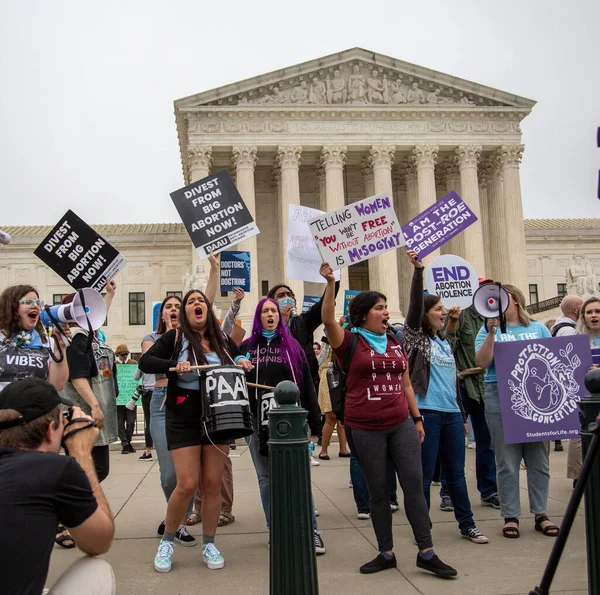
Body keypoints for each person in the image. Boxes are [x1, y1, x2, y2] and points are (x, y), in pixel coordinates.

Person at [319, 261, 457, 578]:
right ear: (365, 313)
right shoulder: (348, 342)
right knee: (380, 492)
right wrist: (330, 284)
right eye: (380, 308)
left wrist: (417, 419)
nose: (385, 312)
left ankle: (427, 551)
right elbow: (327, 319)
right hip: (365, 428)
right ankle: (386, 552)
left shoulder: (395, 341)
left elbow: (406, 384)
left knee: (414, 486)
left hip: (400, 425)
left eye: (385, 307)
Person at [139, 288, 253, 573]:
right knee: (187, 483)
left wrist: (241, 361)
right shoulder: (175, 337)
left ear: (207, 309)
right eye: (191, 302)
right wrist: (173, 366)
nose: (196, 304)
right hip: (184, 413)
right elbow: (146, 362)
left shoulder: (223, 340)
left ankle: (209, 543)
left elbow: (239, 358)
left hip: (218, 414)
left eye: (200, 300)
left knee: (212, 484)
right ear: (187, 313)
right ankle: (167, 540)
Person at [403, 251, 489, 545]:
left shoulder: (443, 343)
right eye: (438, 308)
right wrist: (418, 270)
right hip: (427, 413)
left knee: (456, 475)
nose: (444, 312)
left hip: (451, 414)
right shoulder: (416, 339)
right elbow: (414, 305)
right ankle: (422, 528)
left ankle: (468, 524)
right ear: (426, 314)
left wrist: (461, 415)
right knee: (424, 475)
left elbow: (452, 382)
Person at [0, 377, 115, 595]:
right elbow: (99, 541)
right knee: (97, 569)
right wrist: (80, 452)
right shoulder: (54, 468)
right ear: (51, 430)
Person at [239, 297, 326, 554]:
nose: (270, 314)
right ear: (258, 316)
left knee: (297, 475)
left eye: (273, 311)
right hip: (256, 420)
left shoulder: (293, 347)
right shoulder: (247, 347)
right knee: (266, 478)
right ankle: (275, 529)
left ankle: (311, 530)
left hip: (289, 419)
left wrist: (314, 420)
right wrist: (238, 363)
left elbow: (306, 383)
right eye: (264, 311)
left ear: (279, 316)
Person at [476, 284, 559, 538]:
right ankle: (510, 515)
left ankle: (541, 513)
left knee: (538, 459)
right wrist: (491, 333)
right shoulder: (486, 329)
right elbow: (481, 362)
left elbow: (553, 361)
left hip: (534, 397)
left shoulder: (538, 328)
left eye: (502, 297)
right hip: (499, 395)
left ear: (516, 300)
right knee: (507, 461)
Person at [140, 294, 197, 547]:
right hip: (161, 399)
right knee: (168, 474)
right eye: (169, 307)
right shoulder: (152, 339)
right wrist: (176, 363)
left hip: (185, 401)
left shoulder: (191, 338)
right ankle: (174, 513)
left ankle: (180, 522)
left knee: (188, 472)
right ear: (162, 314)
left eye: (177, 307)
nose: (173, 310)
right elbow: (149, 362)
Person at [443, 278, 499, 510]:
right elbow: (446, 347)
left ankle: (489, 490)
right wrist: (461, 372)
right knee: (452, 442)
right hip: (463, 386)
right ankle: (448, 492)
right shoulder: (461, 315)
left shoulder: (498, 319)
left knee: (487, 441)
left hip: (487, 387)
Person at [59, 281, 118, 484]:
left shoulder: (89, 335)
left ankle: (78, 507)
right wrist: (95, 407)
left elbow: (98, 316)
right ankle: (72, 505)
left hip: (91, 413)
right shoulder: (76, 339)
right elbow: (77, 376)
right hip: (83, 413)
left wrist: (110, 294)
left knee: (93, 468)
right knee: (94, 469)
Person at [267, 280, 339, 394]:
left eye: (289, 295)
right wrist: (282, 322)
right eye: (281, 295)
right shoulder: (265, 327)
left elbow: (324, 304)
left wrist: (333, 278)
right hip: (278, 386)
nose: (287, 297)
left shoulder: (303, 322)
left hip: (306, 384)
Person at [0, 284, 69, 393]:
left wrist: (60, 347)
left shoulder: (47, 342)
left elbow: (57, 386)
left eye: (38, 303)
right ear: (11, 307)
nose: (35, 306)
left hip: (38, 407)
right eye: (28, 302)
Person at [568, 296, 600, 486]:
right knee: (579, 436)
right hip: (582, 396)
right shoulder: (576, 340)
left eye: (597, 311)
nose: (593, 315)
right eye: (589, 312)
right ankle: (578, 478)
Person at [317, 337, 351, 460]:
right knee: (330, 415)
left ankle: (343, 449)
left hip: (341, 376)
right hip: (329, 377)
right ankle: (324, 450)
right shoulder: (326, 342)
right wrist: (327, 343)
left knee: (342, 417)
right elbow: (320, 360)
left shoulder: (344, 340)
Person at [115, 344, 138, 454]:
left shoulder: (133, 364)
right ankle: (125, 444)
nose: (125, 356)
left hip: (131, 398)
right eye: (122, 354)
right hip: (118, 399)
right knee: (119, 423)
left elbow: (137, 379)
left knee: (131, 422)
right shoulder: (114, 365)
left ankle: (127, 442)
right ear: (118, 354)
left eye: (126, 354)